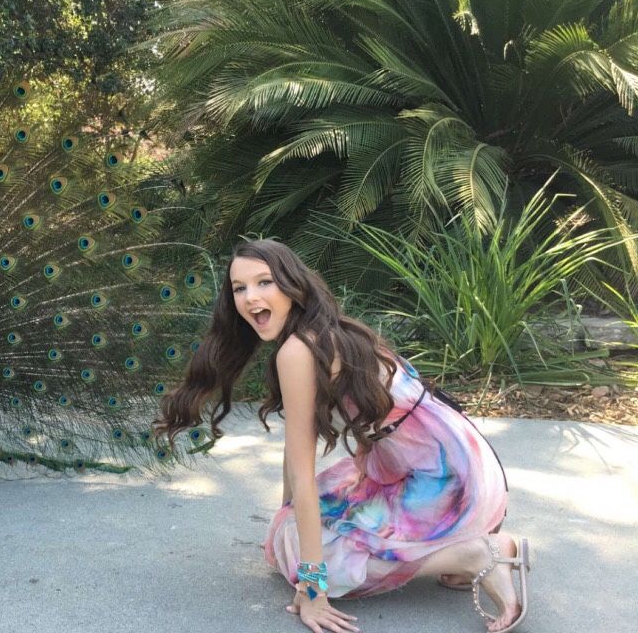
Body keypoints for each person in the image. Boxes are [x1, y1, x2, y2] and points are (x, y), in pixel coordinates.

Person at [154, 239, 530, 633]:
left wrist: (313, 589)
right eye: (239, 288)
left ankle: (476, 555)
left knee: (314, 560)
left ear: (292, 285)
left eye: (264, 282)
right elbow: (295, 455)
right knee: (291, 533)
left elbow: (302, 474)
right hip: (463, 468)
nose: (250, 298)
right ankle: (457, 550)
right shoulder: (328, 331)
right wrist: (285, 515)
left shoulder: (299, 350)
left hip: (446, 486)